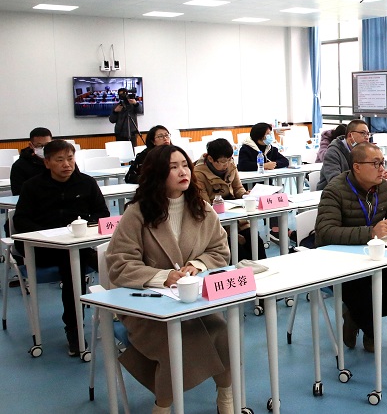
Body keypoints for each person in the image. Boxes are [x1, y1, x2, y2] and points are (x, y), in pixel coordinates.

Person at [106, 145, 233, 414]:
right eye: (173, 167)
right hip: (145, 306)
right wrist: (163, 276)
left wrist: (196, 265)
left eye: (185, 165)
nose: (182, 172)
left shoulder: (202, 208)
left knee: (223, 331)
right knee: (179, 341)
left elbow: (220, 251)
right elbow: (119, 264)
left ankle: (226, 396)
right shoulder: (137, 213)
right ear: (157, 174)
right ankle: (163, 406)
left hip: (191, 302)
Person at [314, 143, 387, 352]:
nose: (382, 169)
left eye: (382, 163)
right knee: (365, 298)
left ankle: (354, 317)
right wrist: (371, 232)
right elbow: (325, 232)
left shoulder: (382, 186)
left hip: (376, 257)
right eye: (375, 163)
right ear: (357, 167)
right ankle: (369, 329)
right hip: (342, 262)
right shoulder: (335, 190)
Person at [13, 140, 110, 356]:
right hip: (43, 249)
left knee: (106, 259)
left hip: (77, 244)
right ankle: (74, 329)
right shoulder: (32, 186)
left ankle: (117, 314)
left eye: (70, 158)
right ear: (47, 162)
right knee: (73, 263)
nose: (67, 164)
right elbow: (21, 220)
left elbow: (102, 214)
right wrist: (49, 234)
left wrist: (83, 226)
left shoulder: (86, 183)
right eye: (60, 160)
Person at [194, 138, 266, 260]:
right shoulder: (198, 173)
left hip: (237, 216)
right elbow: (205, 205)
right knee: (237, 249)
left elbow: (238, 188)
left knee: (256, 241)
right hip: (216, 222)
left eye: (229, 159)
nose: (226, 164)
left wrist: (245, 195)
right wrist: (231, 233)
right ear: (210, 159)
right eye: (223, 162)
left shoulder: (231, 166)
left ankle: (263, 269)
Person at [317, 119, 387, 191]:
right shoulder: (333, 152)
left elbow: (379, 169)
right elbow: (335, 181)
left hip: (359, 192)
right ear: (350, 135)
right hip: (332, 194)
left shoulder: (366, 151)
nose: (367, 137)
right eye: (363, 133)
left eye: (368, 134)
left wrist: (382, 175)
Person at [10, 126, 52, 195]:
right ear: (31, 145)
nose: (44, 149)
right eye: (39, 146)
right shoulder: (19, 166)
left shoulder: (58, 161)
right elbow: (18, 193)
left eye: (47, 145)